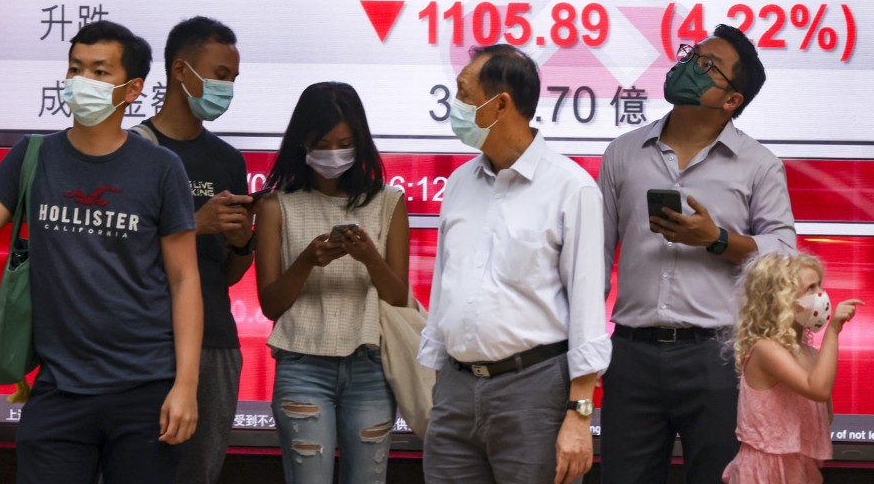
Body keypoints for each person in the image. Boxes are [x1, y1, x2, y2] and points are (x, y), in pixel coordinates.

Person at [0, 20, 202, 483]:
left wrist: (186, 385)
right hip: (58, 387)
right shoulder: (33, 156)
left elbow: (184, 280)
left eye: (100, 72)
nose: (82, 82)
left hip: (146, 390)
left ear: (132, 88)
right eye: (75, 69)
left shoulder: (161, 168)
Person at [598, 24, 796, 484]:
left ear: (732, 100)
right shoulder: (623, 153)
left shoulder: (759, 164)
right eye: (692, 57)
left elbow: (785, 255)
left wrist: (717, 239)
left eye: (708, 66)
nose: (690, 67)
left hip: (717, 356)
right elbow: (596, 260)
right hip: (631, 353)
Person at [417, 44, 610, 484]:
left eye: (464, 95)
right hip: (456, 390)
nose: (455, 106)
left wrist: (579, 414)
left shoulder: (571, 188)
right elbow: (445, 284)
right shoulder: (459, 183)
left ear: (500, 104)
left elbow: (586, 308)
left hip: (533, 390)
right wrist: (438, 382)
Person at [254, 82, 409, 484]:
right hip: (301, 366)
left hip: (370, 368)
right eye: (323, 143)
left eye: (345, 142)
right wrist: (307, 260)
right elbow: (270, 305)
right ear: (302, 141)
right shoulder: (275, 205)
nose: (334, 153)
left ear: (361, 143)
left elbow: (397, 296)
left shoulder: (388, 201)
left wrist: (369, 258)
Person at [132, 16, 254, 484]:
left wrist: (241, 243)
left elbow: (225, 274)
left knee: (199, 474)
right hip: (144, 343)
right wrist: (194, 225)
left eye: (233, 79)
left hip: (215, 341)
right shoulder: (133, 149)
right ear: (181, 71)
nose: (227, 88)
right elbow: (117, 252)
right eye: (220, 75)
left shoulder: (228, 159)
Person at [722, 252, 862, 484]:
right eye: (811, 288)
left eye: (820, 286)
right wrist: (833, 331)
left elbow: (825, 413)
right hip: (765, 469)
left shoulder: (810, 354)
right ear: (781, 299)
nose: (821, 295)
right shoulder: (766, 349)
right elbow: (817, 389)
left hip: (798, 465)